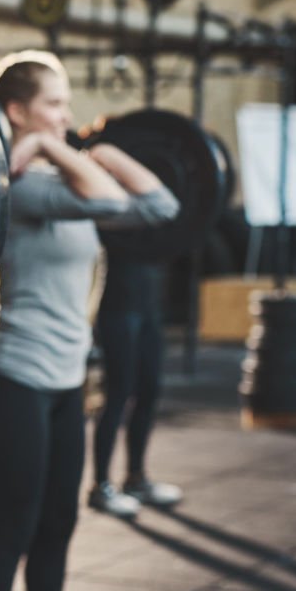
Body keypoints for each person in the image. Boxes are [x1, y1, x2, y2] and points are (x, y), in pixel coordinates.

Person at [0, 52, 179, 591]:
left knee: (58, 524)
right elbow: (110, 201)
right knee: (15, 528)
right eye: (53, 105)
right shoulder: (22, 190)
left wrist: (106, 150)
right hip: (16, 380)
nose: (67, 114)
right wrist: (49, 150)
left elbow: (161, 204)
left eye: (65, 104)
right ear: (20, 109)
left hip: (63, 383)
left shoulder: (60, 181)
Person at [87, 211, 182, 519]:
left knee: (150, 390)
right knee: (118, 393)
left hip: (149, 311)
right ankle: (101, 486)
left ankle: (136, 478)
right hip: (117, 310)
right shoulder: (112, 209)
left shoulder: (153, 210)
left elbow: (177, 219)